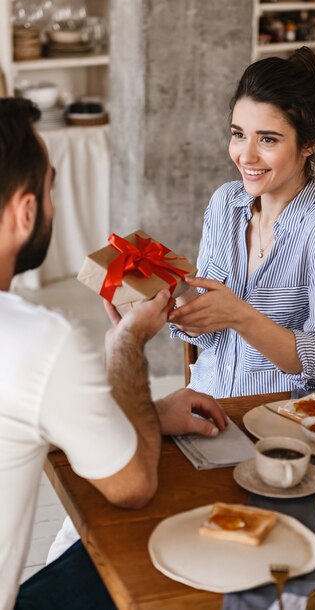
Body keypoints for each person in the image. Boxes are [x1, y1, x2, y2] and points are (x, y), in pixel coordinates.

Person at [0, 97, 227, 610]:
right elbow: (133, 486)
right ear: (27, 209)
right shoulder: (39, 340)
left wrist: (149, 413)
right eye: (50, 187)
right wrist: (126, 341)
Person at [169, 47, 315, 397]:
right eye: (238, 134)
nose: (246, 155)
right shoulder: (224, 203)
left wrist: (241, 316)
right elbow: (211, 333)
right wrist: (179, 292)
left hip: (281, 422)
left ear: (309, 144)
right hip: (205, 403)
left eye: (268, 139)